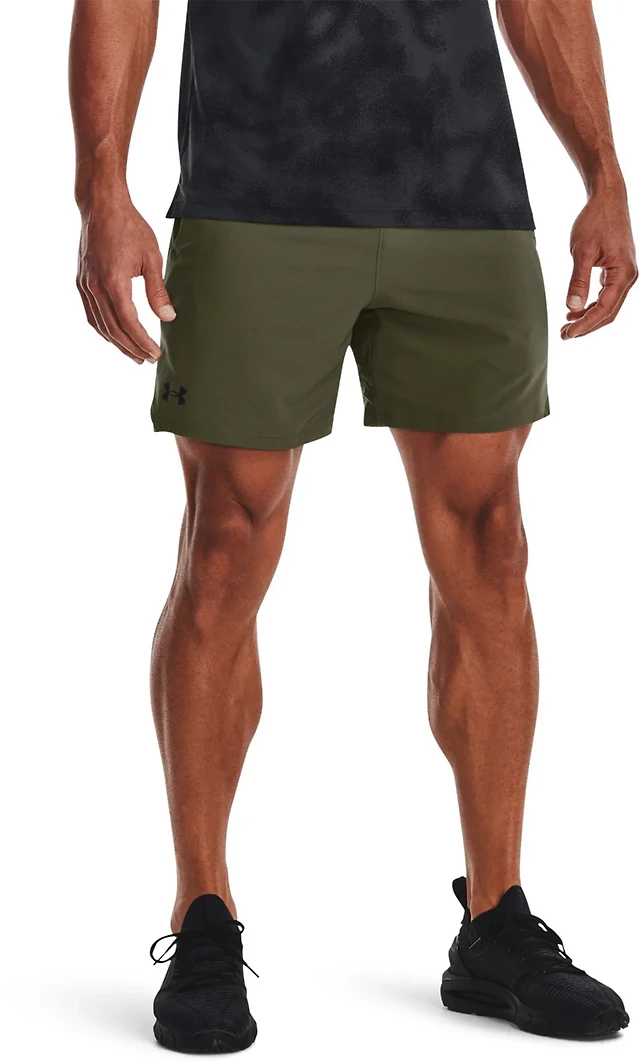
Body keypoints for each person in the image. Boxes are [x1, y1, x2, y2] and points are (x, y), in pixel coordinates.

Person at [69, 0, 636, 1052]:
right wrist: (102, 189)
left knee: (492, 542)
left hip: (464, 195)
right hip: (254, 193)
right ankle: (202, 914)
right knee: (225, 542)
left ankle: (496, 923)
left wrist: (603, 171)